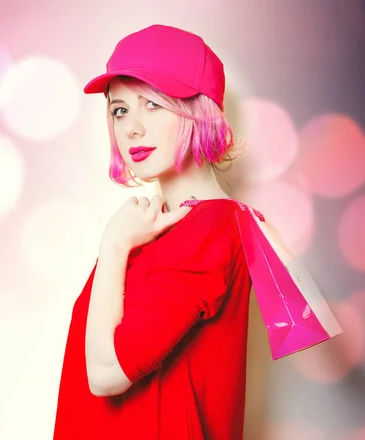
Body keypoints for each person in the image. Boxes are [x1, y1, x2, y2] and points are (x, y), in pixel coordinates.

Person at [53, 25, 253, 439]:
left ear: (200, 110)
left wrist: (113, 245)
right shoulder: (155, 227)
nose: (131, 128)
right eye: (120, 109)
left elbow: (107, 374)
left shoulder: (210, 228)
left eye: (153, 104)